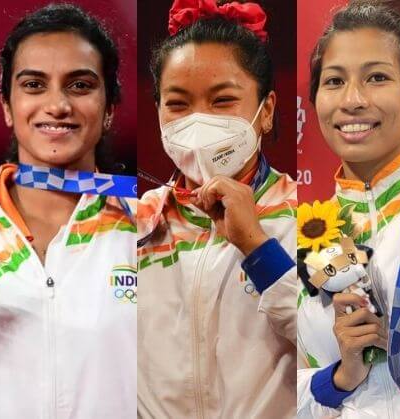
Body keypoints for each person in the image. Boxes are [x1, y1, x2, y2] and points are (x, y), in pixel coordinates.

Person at [137, 0, 297, 418]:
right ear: (157, 112)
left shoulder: (309, 215)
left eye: (222, 100)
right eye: (178, 104)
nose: (198, 122)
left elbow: (336, 345)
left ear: (267, 111)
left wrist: (258, 248)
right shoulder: (130, 223)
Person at [297, 2, 400, 418]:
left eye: (377, 77)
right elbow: (282, 387)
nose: (352, 100)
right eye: (334, 81)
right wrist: (339, 379)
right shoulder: (311, 236)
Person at [0, 4, 137, 418]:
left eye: (80, 85)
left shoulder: (150, 228)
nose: (58, 105)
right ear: (7, 106)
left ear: (110, 108)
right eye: (34, 85)